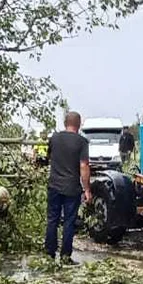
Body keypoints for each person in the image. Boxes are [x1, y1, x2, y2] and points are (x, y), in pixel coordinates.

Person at [45, 111, 92, 265]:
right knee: (69, 222)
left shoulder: (54, 139)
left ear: (65, 123)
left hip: (54, 185)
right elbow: (84, 166)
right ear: (79, 124)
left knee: (52, 219)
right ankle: (65, 256)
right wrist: (87, 189)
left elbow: (49, 158)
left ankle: (49, 254)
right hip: (71, 188)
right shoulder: (82, 142)